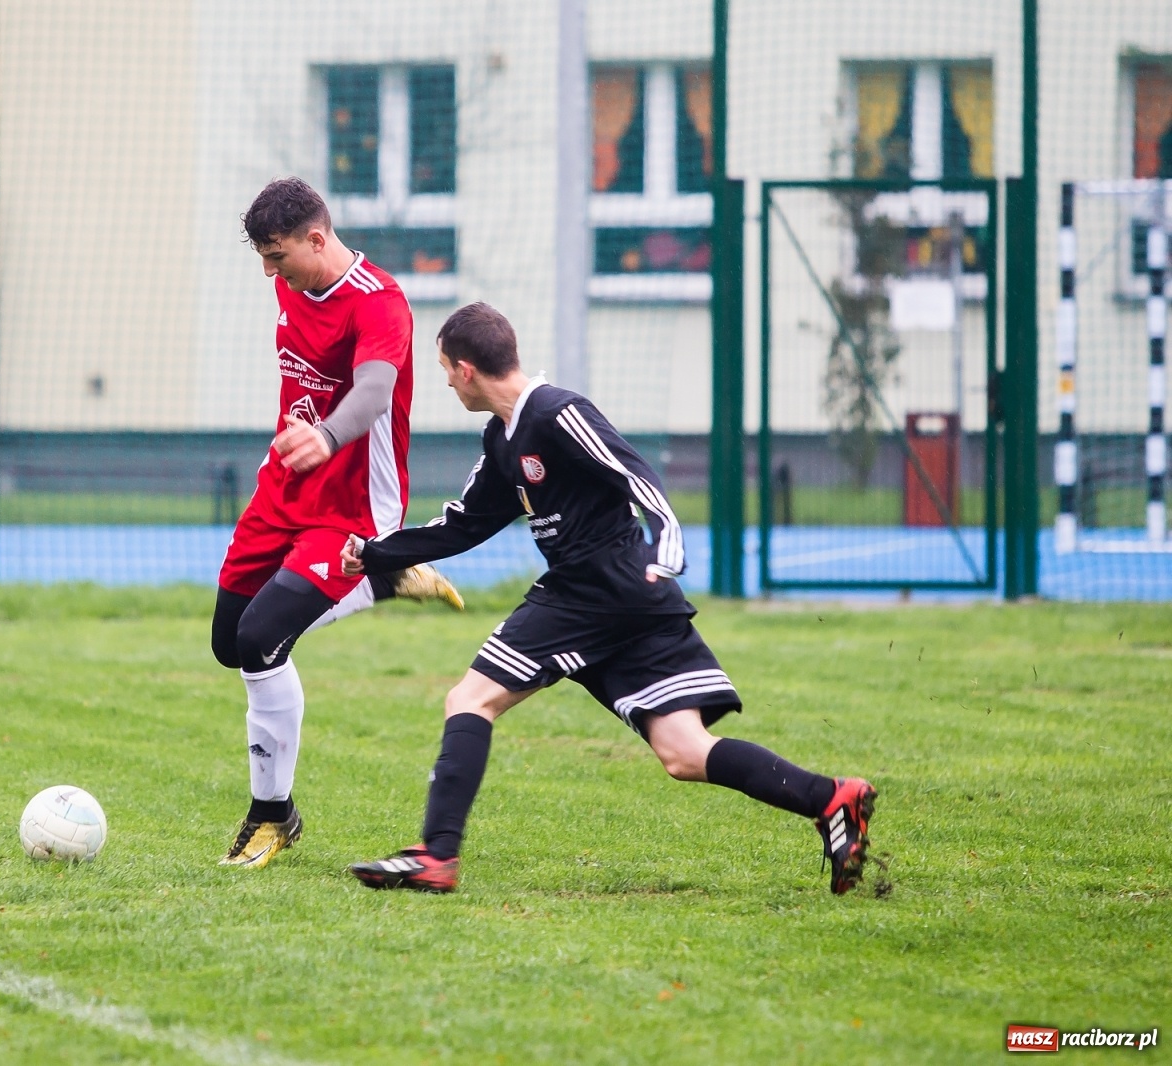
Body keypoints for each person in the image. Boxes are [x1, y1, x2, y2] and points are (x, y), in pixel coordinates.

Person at [341, 302, 877, 894]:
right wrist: (377, 553)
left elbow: (636, 475)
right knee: (684, 752)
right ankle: (831, 798)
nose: (444, 381)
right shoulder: (502, 437)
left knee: (471, 698)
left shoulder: (557, 411)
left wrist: (666, 545)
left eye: (445, 368)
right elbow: (465, 523)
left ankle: (436, 855)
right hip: (627, 599)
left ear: (466, 369)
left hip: (597, 590)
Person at [211, 177, 464, 869]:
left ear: (317, 240)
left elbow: (375, 392)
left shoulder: (380, 303)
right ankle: (384, 580)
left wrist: (326, 436)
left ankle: (272, 816)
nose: (270, 273)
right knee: (231, 642)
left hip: (352, 509)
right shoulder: (292, 283)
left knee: (262, 638)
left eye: (277, 256)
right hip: (282, 490)